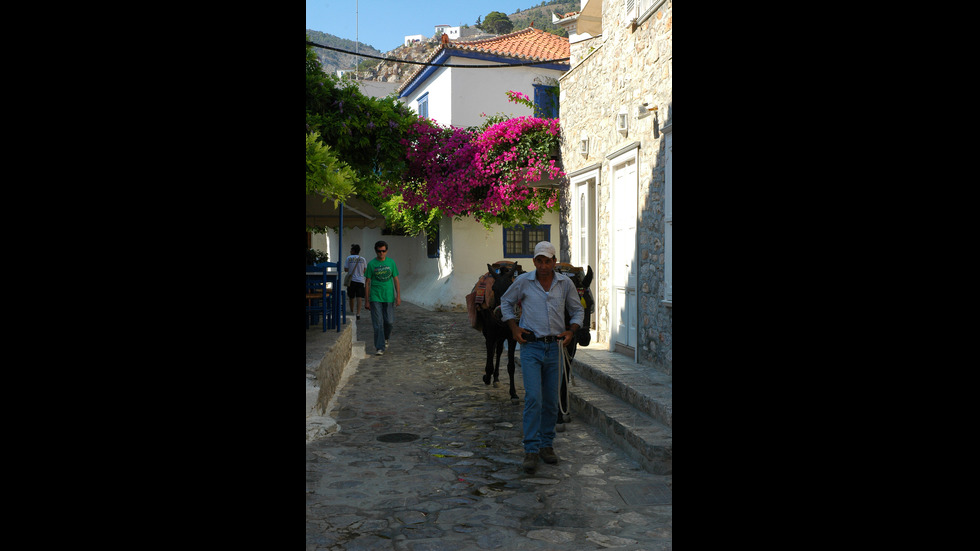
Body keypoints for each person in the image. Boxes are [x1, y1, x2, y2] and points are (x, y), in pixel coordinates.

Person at [499, 241, 584, 475]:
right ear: (534, 261)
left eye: (548, 261)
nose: (544, 265)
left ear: (554, 262)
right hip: (532, 348)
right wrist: (514, 328)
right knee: (533, 398)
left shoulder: (565, 284)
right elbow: (505, 302)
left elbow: (577, 310)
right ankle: (531, 449)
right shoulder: (523, 282)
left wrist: (571, 330)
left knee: (550, 400)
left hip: (555, 348)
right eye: (540, 261)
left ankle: (547, 445)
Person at [364, 240, 400, 356]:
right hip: (375, 297)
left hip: (389, 297)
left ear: (386, 251)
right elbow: (367, 282)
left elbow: (396, 280)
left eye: (383, 251)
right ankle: (380, 347)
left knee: (389, 322)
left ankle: (385, 338)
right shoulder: (371, 264)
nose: (381, 253)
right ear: (376, 251)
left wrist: (398, 296)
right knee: (378, 323)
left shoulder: (391, 263)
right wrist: (367, 300)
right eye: (379, 251)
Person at [344, 244, 367, 320]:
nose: (350, 251)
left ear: (353, 251)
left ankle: (352, 312)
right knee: (359, 297)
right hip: (360, 280)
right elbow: (365, 270)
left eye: (351, 250)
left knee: (351, 297)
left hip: (352, 281)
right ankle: (358, 313)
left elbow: (346, 269)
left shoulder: (348, 258)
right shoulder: (363, 259)